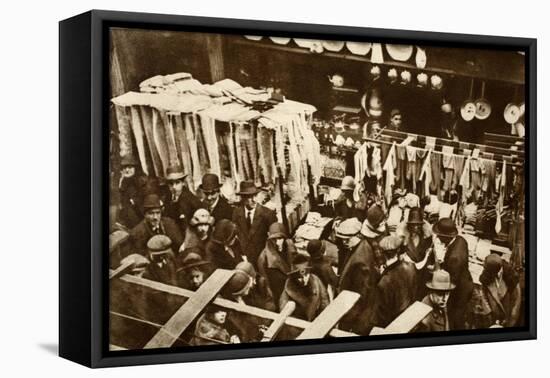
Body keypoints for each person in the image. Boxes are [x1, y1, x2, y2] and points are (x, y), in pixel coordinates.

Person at [335, 218, 379, 335]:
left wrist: (348, 318)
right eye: (342, 240)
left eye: (347, 240)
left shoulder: (360, 261)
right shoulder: (361, 245)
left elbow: (360, 295)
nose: (344, 242)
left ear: (358, 235)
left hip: (356, 313)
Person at [431, 218, 474, 330]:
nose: (438, 238)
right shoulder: (461, 240)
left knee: (455, 317)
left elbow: (451, 282)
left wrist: (438, 272)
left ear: (447, 237)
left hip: (459, 290)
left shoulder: (454, 258)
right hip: (466, 281)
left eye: (440, 235)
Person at [371, 236, 417, 328]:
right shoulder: (411, 268)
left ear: (382, 253)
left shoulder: (384, 282)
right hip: (410, 319)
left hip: (394, 325)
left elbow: (381, 316)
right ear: (398, 251)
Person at [232, 181, 277, 267]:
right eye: (249, 197)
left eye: (255, 195)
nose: (253, 200)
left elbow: (273, 241)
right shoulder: (236, 213)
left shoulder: (268, 214)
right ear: (243, 198)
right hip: (244, 260)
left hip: (262, 260)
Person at [396, 207, 433, 299]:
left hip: (421, 277)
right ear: (408, 225)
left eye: (418, 225)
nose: (415, 227)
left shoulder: (426, 240)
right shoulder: (403, 240)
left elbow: (429, 258)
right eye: (413, 225)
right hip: (406, 276)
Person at [279, 254, 330, 321]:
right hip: (297, 326)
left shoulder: (316, 280)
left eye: (307, 275)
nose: (304, 279)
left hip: (316, 323)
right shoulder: (289, 287)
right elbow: (284, 311)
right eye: (300, 278)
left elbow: (325, 302)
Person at [478, 254, 522, 328]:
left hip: (507, 317)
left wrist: (511, 319)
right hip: (492, 316)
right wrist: (488, 312)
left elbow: (516, 302)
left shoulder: (512, 278)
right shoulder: (487, 272)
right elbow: (483, 293)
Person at [257, 223, 294, 304]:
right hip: (279, 291)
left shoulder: (290, 244)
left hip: (293, 286)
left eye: (280, 238)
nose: (278, 242)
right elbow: (265, 283)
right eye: (274, 239)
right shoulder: (263, 258)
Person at [163, 164, 203, 233]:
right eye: (171, 184)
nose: (174, 187)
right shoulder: (168, 198)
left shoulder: (191, 200)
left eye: (177, 183)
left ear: (183, 183)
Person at [360, 204, 389, 270]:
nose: (383, 222)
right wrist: (382, 266)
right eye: (381, 221)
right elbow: (378, 255)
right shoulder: (371, 239)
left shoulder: (383, 225)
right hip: (378, 263)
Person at [117, 154, 143, 228]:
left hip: (139, 220)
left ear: (135, 168)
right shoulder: (124, 182)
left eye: (130, 167)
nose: (127, 170)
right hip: (127, 220)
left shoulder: (140, 181)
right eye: (125, 167)